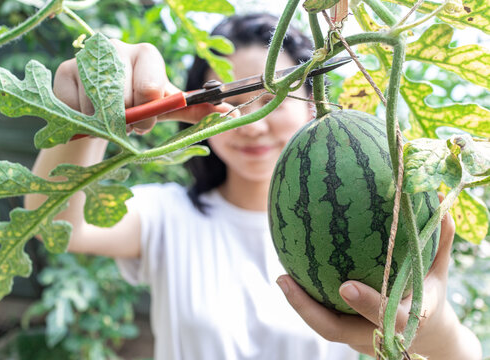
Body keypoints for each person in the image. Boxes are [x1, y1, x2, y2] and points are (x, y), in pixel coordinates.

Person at [24, 13, 482, 360]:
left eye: (268, 97)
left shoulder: (382, 189)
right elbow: (59, 226)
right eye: (230, 100)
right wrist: (87, 115)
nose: (249, 122)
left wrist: (435, 328)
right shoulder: (166, 216)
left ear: (309, 101)